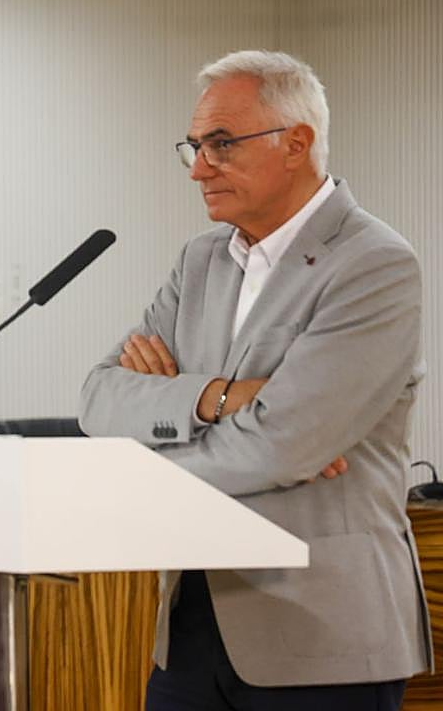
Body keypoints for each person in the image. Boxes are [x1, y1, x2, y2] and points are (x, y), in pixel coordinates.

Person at [79, 50, 431, 711]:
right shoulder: (202, 259)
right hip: (189, 627)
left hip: (321, 637)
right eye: (194, 146)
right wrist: (221, 398)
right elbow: (98, 400)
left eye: (220, 144)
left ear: (296, 143)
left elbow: (284, 444)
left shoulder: (373, 263)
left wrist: (153, 442)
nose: (200, 168)